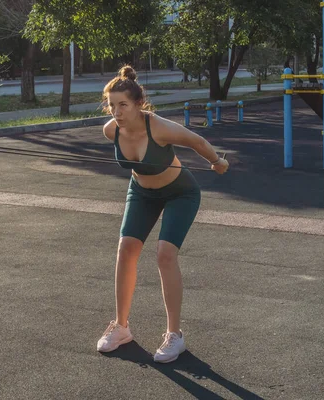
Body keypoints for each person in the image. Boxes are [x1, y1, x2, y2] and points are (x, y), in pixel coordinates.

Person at [96, 65, 229, 363]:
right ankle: (121, 327)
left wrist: (218, 162)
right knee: (126, 249)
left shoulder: (159, 127)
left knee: (164, 254)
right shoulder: (110, 131)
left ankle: (174, 335)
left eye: (123, 105)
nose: (115, 111)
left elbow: (196, 141)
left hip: (180, 193)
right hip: (142, 193)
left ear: (138, 104)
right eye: (111, 105)